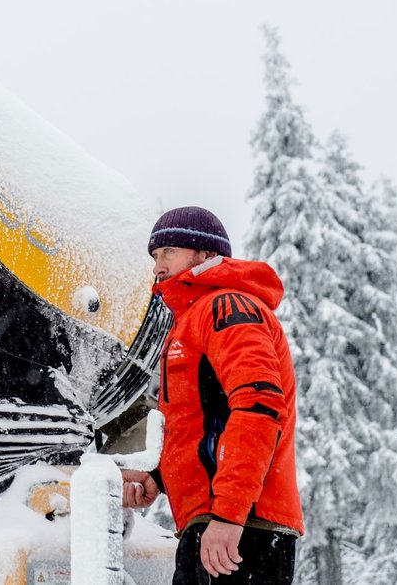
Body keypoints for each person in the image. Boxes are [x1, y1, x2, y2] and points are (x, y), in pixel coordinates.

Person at [121, 206, 304, 584]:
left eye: (169, 251)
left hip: (241, 526)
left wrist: (230, 513)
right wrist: (161, 476)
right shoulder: (194, 319)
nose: (158, 266)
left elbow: (259, 405)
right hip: (218, 520)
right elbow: (203, 422)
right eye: (155, 256)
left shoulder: (227, 307)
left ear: (206, 255)